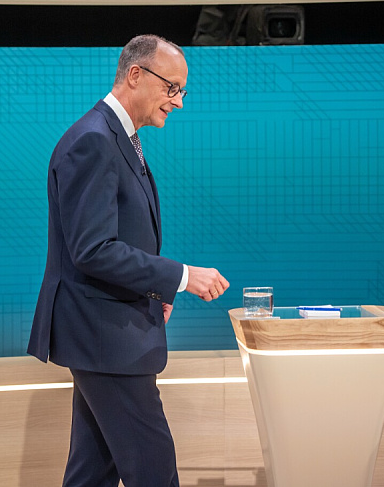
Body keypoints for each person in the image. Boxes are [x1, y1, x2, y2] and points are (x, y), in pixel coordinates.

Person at [28, 35, 229, 486]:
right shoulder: (94, 141)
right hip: (106, 338)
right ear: (135, 74)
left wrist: (153, 288)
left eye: (182, 91)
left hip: (106, 335)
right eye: (171, 88)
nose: (177, 102)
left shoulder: (116, 137)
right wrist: (180, 277)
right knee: (153, 469)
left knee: (93, 470)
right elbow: (93, 249)